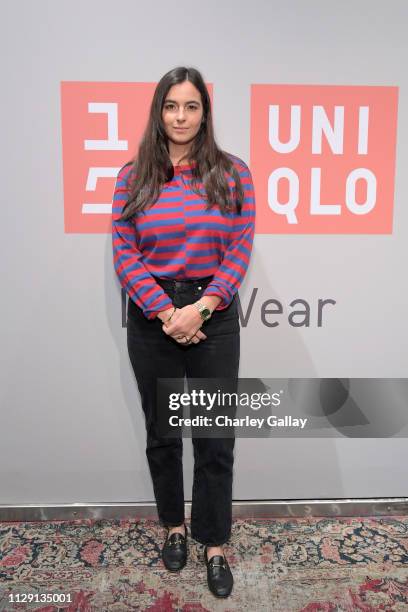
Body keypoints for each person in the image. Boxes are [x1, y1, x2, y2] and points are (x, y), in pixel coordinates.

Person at [111, 66, 255, 598]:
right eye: (172, 106)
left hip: (214, 315)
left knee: (215, 439)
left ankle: (213, 543)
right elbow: (125, 252)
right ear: (159, 110)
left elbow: (240, 246)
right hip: (153, 319)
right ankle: (174, 528)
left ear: (204, 113)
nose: (180, 116)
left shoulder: (232, 172)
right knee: (163, 436)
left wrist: (203, 306)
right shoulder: (134, 176)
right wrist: (166, 312)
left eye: (191, 106)